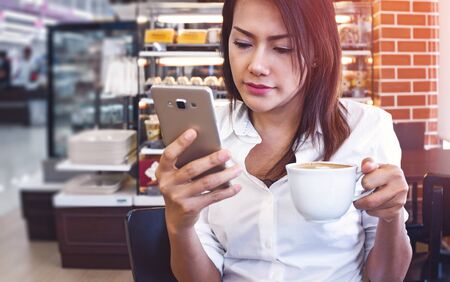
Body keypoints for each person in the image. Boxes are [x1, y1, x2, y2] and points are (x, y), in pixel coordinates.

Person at [155, 0, 412, 281]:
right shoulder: (206, 133)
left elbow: (388, 277)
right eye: (242, 43)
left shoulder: (367, 127)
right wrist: (179, 226)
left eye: (283, 48)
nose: (256, 66)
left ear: (317, 52)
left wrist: (391, 216)